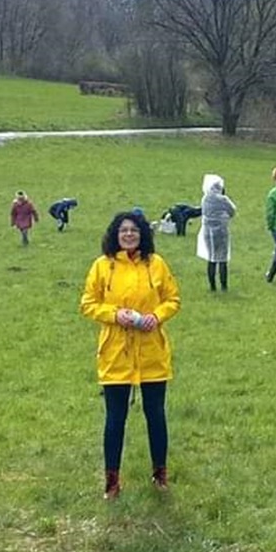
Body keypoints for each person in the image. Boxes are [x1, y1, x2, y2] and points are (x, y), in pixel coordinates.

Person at [79, 210, 181, 498]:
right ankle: (112, 481)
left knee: (156, 414)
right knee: (115, 418)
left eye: (134, 230)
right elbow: (88, 304)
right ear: (115, 234)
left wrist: (157, 316)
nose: (128, 235)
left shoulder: (157, 264)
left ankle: (160, 473)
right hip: (115, 353)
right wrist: (114, 314)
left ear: (142, 234)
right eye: (123, 230)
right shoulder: (102, 266)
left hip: (151, 352)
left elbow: (173, 299)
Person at [197, 174, 237, 291]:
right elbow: (232, 210)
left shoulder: (205, 199)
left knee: (212, 258)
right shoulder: (223, 199)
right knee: (222, 259)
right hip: (221, 231)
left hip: (207, 231)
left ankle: (212, 286)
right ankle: (224, 286)